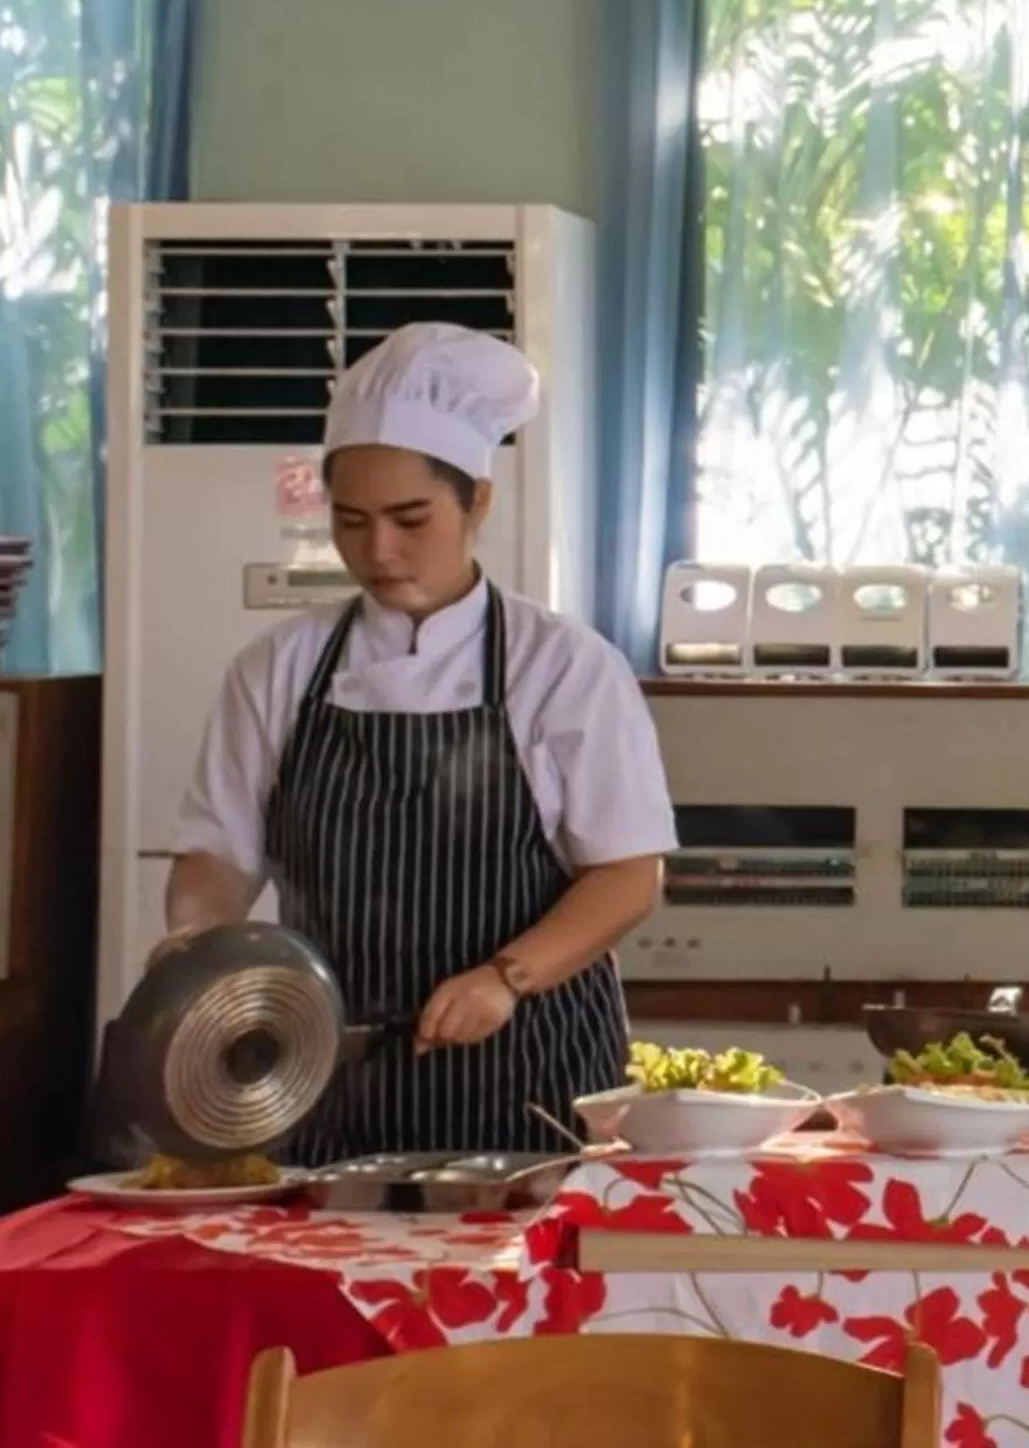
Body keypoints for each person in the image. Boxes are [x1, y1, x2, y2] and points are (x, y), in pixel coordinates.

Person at [156, 323, 675, 1160]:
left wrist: (506, 978)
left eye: (410, 519)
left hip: (529, 1075)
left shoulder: (565, 667)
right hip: (320, 1077)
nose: (379, 551)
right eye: (352, 521)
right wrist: (193, 945)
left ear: (478, 501)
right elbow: (215, 854)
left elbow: (627, 875)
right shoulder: (278, 669)